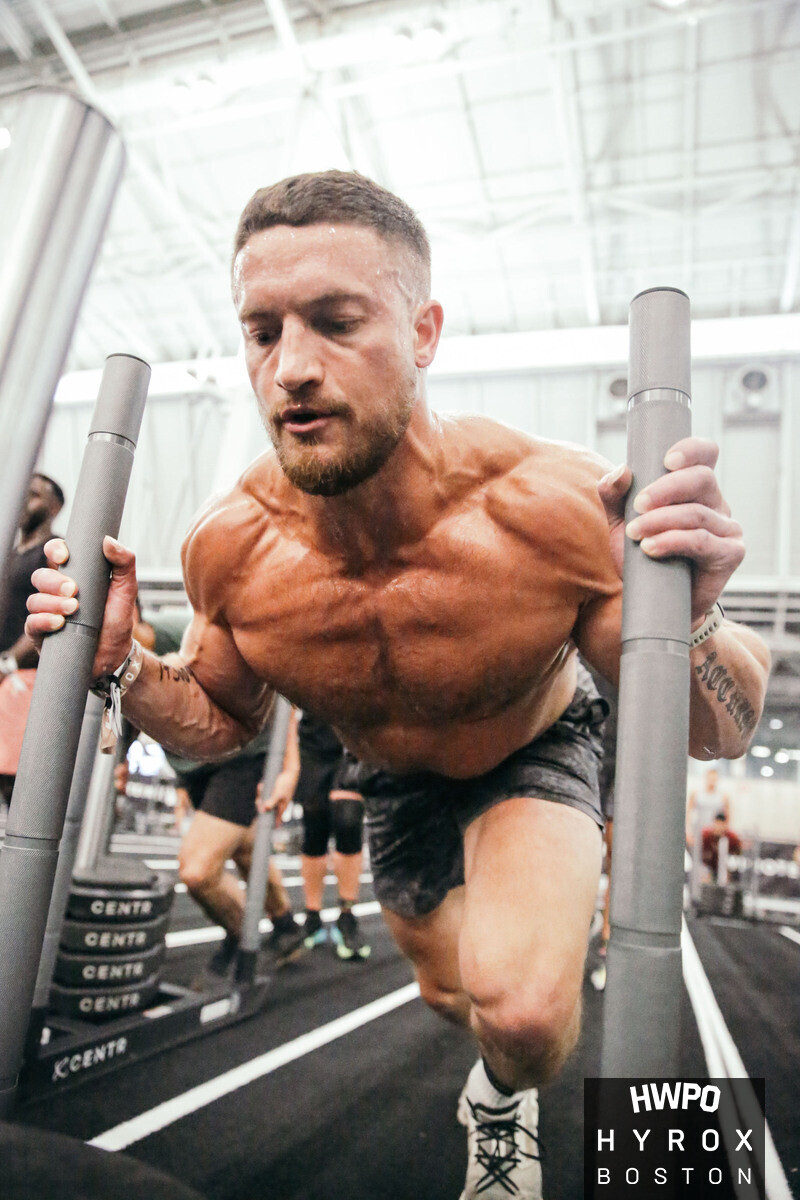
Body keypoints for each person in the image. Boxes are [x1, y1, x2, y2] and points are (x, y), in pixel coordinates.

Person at [27, 171, 770, 1200]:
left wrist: (691, 615)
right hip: (390, 782)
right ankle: (495, 1050)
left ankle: (501, 1100)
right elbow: (222, 722)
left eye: (336, 323)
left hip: (533, 746)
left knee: (521, 1017)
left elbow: (718, 731)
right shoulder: (230, 548)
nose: (291, 368)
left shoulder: (549, 507)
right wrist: (126, 666)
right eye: (261, 331)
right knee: (449, 995)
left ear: (423, 333)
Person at [117, 604, 306, 977]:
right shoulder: (114, 658)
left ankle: (242, 936)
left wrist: (290, 766)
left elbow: (276, 683)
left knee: (198, 870)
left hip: (242, 758)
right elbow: (134, 705)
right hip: (193, 765)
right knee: (246, 848)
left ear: (132, 613)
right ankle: (286, 927)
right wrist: (122, 759)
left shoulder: (187, 633)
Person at [0, 473, 64, 807]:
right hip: (4, 677)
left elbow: (55, 611)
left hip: (24, 678)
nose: (25, 500)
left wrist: (8, 662)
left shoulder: (53, 551)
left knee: (13, 781)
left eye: (35, 495)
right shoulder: (10, 555)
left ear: (55, 507)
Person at [288, 710, 371, 960]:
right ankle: (312, 917)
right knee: (314, 826)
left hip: (354, 736)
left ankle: (347, 916)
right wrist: (289, 760)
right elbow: (287, 707)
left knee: (348, 820)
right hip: (313, 742)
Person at [701, 811, 742, 882]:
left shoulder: (732, 838)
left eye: (721, 824)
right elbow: (699, 854)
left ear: (725, 825)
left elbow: (738, 854)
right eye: (717, 824)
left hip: (726, 868)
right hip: (708, 867)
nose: (719, 827)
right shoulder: (706, 835)